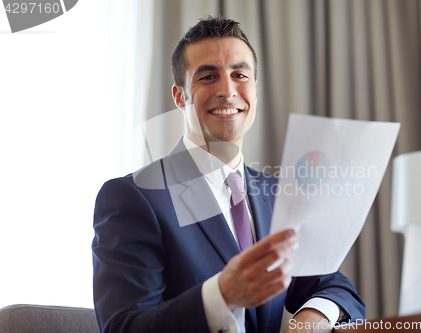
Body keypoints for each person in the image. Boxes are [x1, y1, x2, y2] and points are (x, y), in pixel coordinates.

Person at [92, 16, 365, 333]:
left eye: (240, 75)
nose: (227, 90)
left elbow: (336, 287)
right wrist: (219, 296)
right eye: (208, 77)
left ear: (255, 91)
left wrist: (310, 320)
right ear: (180, 96)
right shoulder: (134, 198)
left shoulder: (278, 194)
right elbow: (123, 327)